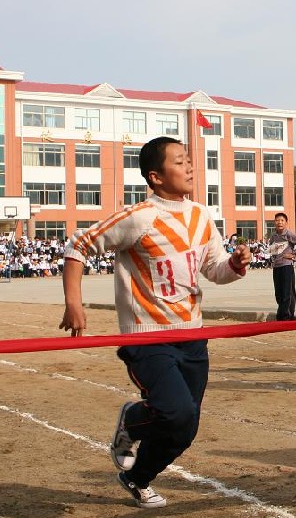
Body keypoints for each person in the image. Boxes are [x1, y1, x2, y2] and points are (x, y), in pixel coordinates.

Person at [59, 136, 251, 508]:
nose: (189, 167)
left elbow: (214, 269)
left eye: (189, 160)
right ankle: (133, 419)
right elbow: (78, 246)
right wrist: (73, 303)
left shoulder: (201, 215)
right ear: (156, 176)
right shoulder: (139, 217)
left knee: (185, 428)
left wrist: (235, 264)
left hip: (192, 337)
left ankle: (137, 476)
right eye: (179, 161)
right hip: (148, 339)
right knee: (175, 412)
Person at [268, 212, 296, 321]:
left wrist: (294, 254)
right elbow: (272, 249)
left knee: (287, 292)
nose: (279, 222)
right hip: (277, 266)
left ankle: (285, 316)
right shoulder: (273, 236)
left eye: (282, 220)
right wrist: (273, 258)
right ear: (274, 222)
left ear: (286, 222)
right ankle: (284, 314)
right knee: (278, 293)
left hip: (286, 266)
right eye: (277, 220)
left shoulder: (289, 234)